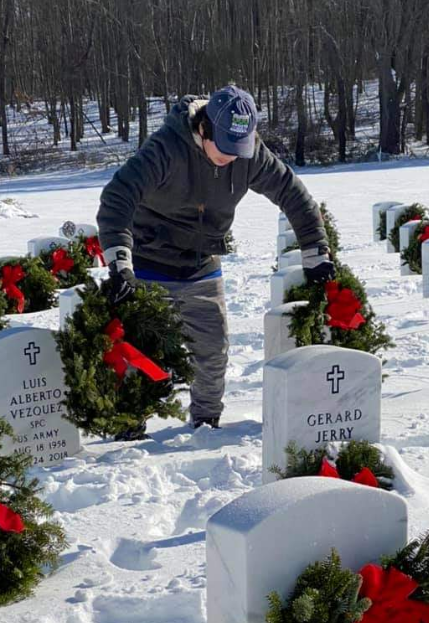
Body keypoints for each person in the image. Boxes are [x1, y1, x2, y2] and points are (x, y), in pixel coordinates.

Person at [97, 85, 333, 438]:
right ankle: (128, 429)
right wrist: (119, 262)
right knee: (140, 354)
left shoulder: (247, 154)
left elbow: (291, 192)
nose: (231, 158)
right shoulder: (166, 149)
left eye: (238, 150)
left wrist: (316, 250)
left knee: (212, 349)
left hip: (201, 264)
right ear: (204, 129)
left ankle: (207, 422)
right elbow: (118, 197)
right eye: (224, 149)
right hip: (148, 262)